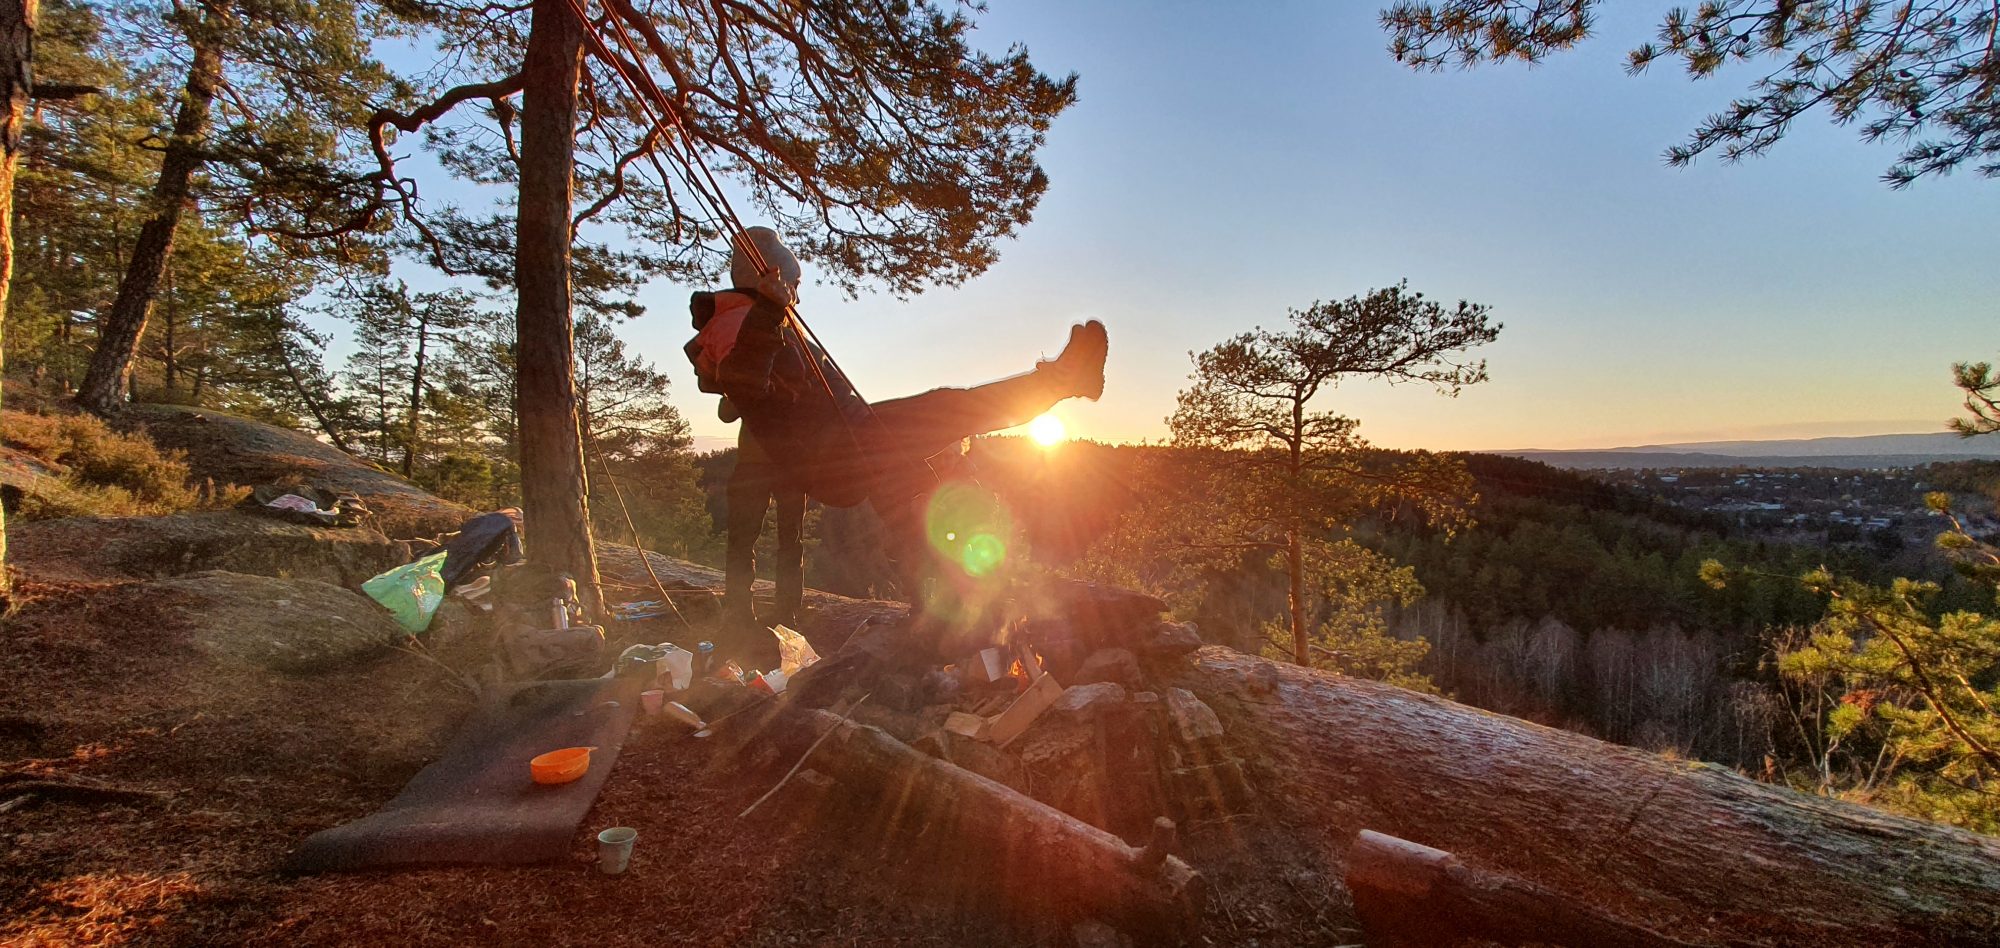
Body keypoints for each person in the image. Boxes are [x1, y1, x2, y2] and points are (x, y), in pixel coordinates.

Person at [688, 226, 1108, 608]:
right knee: (949, 409)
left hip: (841, 441)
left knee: (909, 486)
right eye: (793, 283)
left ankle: (937, 605)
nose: (797, 294)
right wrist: (768, 312)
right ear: (768, 278)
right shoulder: (741, 319)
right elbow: (743, 383)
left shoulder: (758, 317)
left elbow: (756, 390)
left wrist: (771, 314)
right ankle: (1064, 381)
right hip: (834, 451)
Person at [721, 426, 806, 632]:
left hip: (762, 464)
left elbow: (726, 413)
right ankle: (784, 613)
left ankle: (742, 613)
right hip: (788, 463)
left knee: (742, 542)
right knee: (789, 542)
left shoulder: (746, 391)